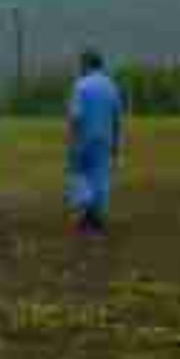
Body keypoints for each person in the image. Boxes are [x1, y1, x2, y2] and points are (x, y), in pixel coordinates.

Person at [66, 49, 124, 234]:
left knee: (80, 174)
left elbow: (76, 116)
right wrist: (116, 143)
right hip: (105, 139)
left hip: (84, 138)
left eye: (81, 64)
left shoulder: (81, 86)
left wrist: (71, 140)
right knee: (100, 177)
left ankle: (86, 214)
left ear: (87, 64)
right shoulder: (111, 86)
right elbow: (117, 118)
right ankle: (96, 217)